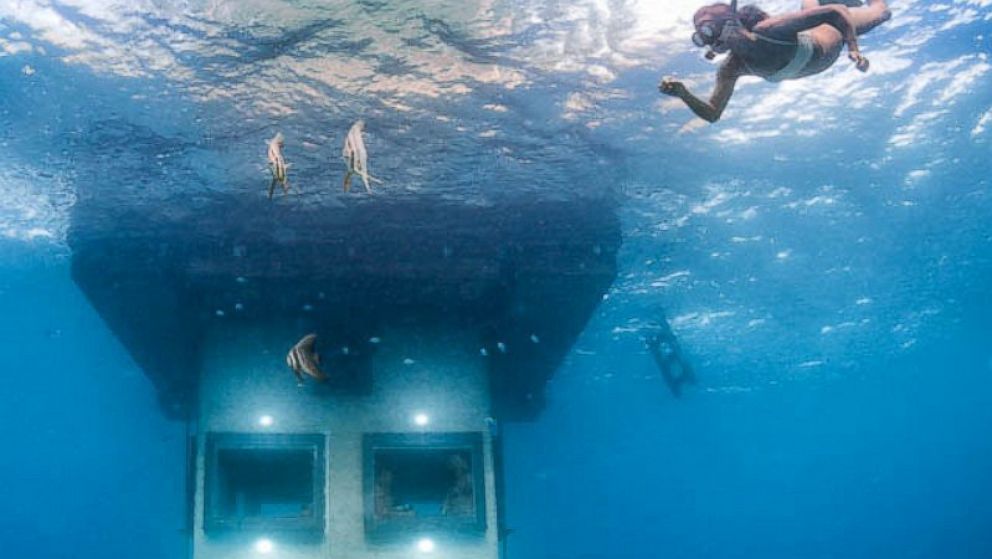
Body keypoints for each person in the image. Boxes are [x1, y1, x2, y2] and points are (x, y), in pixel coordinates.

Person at [659, 0, 891, 123]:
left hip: (832, 28)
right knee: (812, 5)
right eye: (700, 37)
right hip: (819, 38)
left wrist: (853, 48)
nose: (707, 41)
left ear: (730, 23)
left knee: (881, 12)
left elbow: (836, 11)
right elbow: (713, 114)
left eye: (707, 31)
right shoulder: (731, 68)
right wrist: (683, 94)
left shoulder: (769, 29)